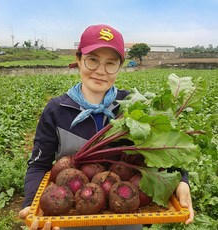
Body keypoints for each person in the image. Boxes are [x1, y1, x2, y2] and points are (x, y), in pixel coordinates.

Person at [19, 24, 194, 230]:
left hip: (127, 220)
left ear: (120, 67)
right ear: (79, 60)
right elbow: (39, 165)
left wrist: (182, 180)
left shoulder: (132, 104)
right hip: (72, 221)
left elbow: (164, 148)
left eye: (111, 64)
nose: (101, 71)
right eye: (92, 60)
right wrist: (32, 205)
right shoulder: (57, 110)